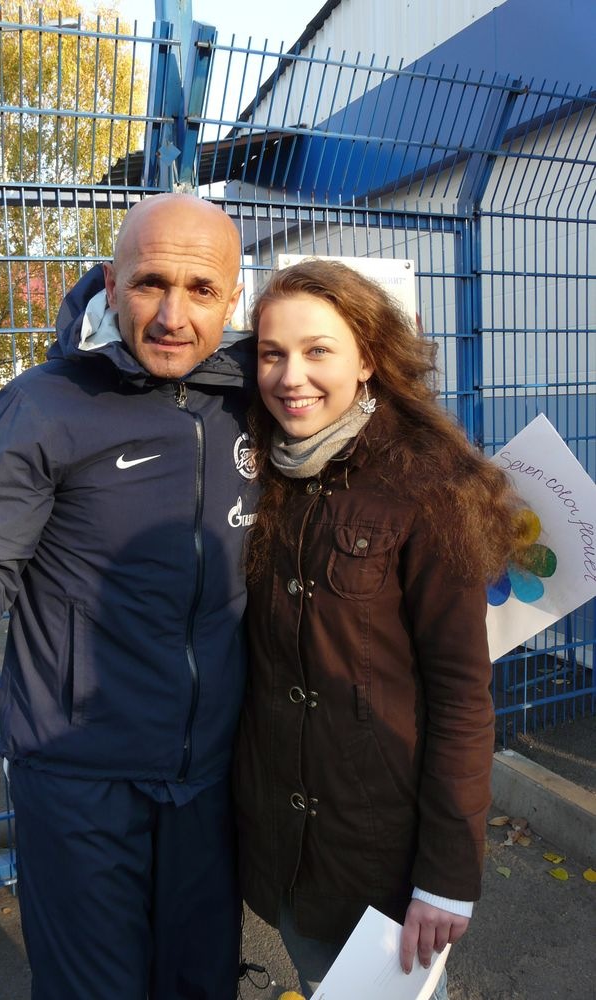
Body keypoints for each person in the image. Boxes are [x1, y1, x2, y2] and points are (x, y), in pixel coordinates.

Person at [0, 193, 260, 1000]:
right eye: (150, 283)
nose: (173, 316)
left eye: (200, 290)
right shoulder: (45, 403)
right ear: (111, 285)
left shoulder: (253, 401)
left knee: (201, 982)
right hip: (79, 775)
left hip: (213, 773)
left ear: (232, 298)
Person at [234, 259, 524, 998]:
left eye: (317, 350)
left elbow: (461, 695)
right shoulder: (260, 474)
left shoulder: (428, 486)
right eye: (271, 354)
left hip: (380, 855)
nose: (290, 377)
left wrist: (446, 877)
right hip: (286, 848)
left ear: (366, 359)